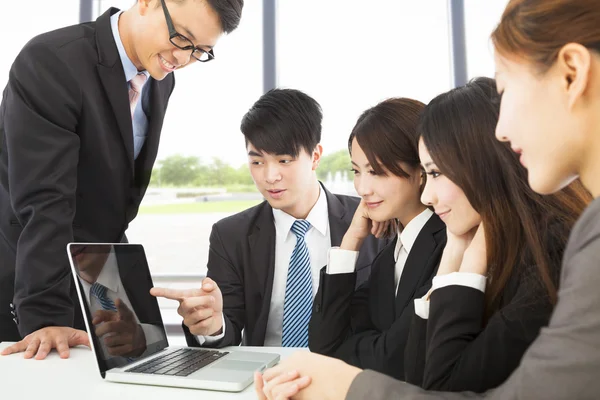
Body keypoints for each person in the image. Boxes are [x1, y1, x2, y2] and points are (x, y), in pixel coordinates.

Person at [254, 0, 600, 398]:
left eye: (507, 91)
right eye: (356, 170)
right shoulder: (419, 250)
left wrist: (348, 386)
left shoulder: (556, 247)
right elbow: (421, 376)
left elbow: (434, 383)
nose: (502, 130)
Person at [0, 0, 244, 360]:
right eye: (181, 38)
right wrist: (45, 317)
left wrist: (118, 297)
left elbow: (113, 197)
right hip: (28, 272)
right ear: (147, 2)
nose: (181, 58)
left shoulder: (160, 77)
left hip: (95, 268)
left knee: (139, 365)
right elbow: (45, 202)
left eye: (200, 52)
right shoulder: (52, 61)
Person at [151, 88, 382, 348]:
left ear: (315, 156)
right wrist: (212, 325)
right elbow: (226, 329)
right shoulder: (230, 235)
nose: (270, 176)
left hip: (346, 375)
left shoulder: (370, 219)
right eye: (257, 162)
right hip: (265, 377)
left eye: (284, 160)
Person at [308, 98, 446, 380]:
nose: (361, 188)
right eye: (356, 171)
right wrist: (351, 242)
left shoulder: (447, 244)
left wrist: (357, 346)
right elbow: (324, 343)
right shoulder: (389, 255)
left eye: (376, 171)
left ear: (421, 170)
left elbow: (393, 360)